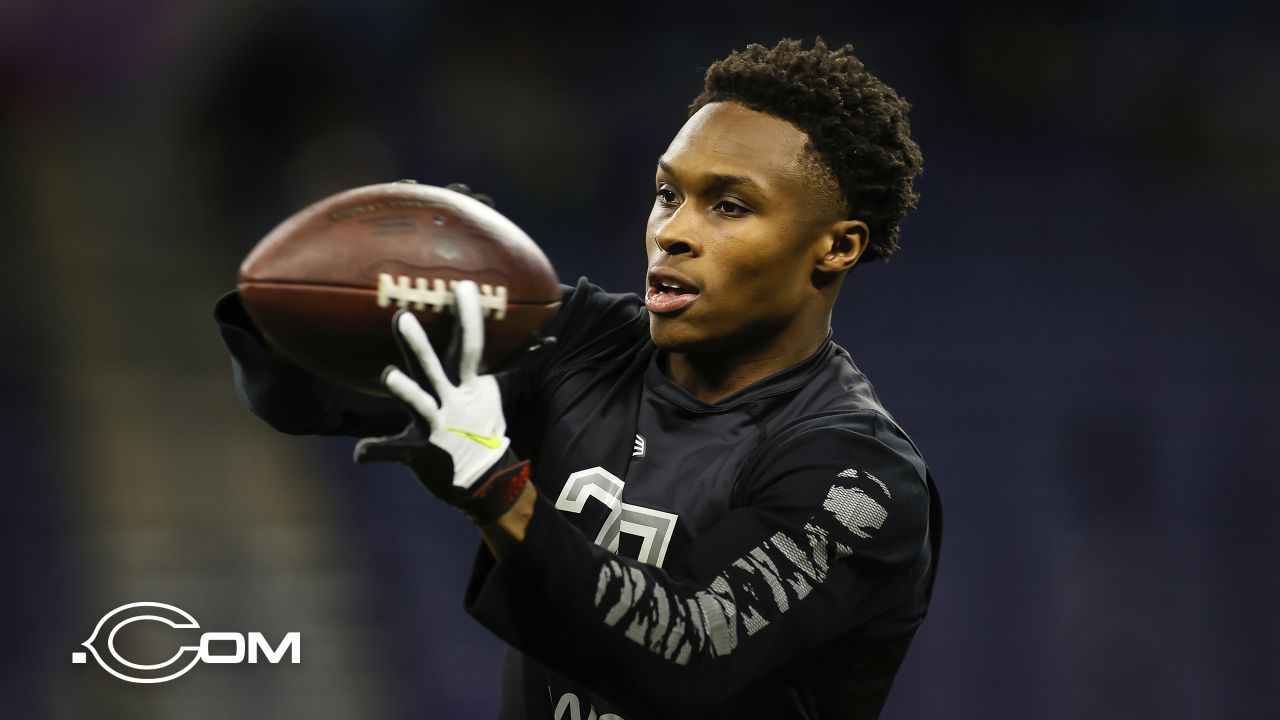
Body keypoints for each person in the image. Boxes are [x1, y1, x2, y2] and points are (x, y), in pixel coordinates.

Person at [215, 38, 941, 720]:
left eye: (729, 205)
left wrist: (499, 490)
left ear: (837, 247)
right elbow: (307, 396)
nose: (673, 231)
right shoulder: (583, 344)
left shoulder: (859, 479)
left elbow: (683, 648)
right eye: (667, 194)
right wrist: (311, 297)